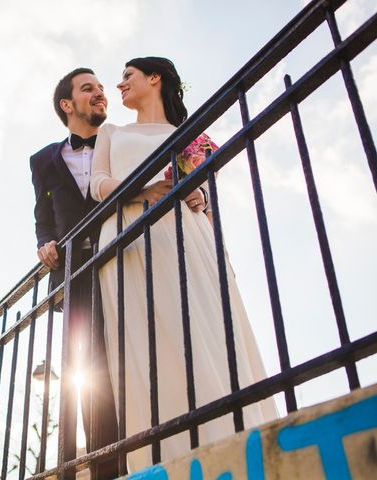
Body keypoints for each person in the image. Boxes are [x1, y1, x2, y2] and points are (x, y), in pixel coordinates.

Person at [90, 57, 277, 470]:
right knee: (146, 350)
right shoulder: (111, 132)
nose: (119, 85)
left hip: (186, 237)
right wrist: (145, 188)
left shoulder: (194, 137)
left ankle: (233, 451)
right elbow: (98, 185)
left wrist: (201, 197)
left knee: (203, 333)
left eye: (128, 76)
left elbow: (208, 197)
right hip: (129, 238)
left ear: (154, 78)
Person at [30, 67, 118, 477]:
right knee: (84, 372)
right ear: (68, 105)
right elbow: (43, 217)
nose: (101, 94)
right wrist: (44, 242)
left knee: (125, 357)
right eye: (89, 89)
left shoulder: (119, 140)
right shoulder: (43, 160)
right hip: (74, 273)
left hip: (123, 255)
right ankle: (103, 468)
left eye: (102, 88)